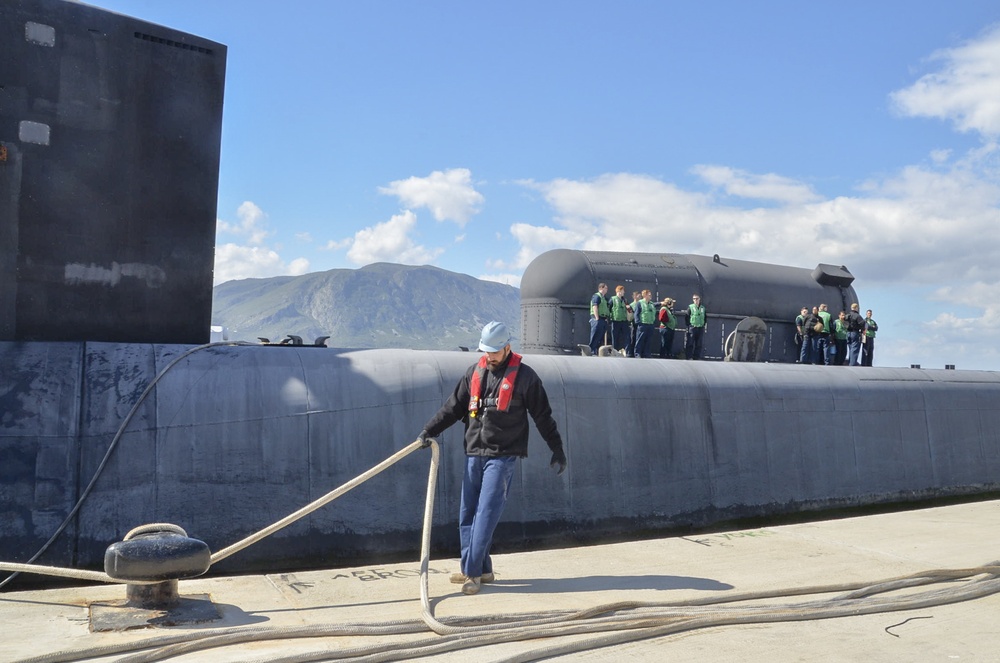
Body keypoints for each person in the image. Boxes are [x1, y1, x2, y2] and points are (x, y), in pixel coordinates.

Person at [418, 321, 567, 596]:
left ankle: (471, 573)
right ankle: (480, 568)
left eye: (494, 352)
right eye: (486, 351)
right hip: (474, 452)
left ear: (507, 348)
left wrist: (556, 448)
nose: (489, 357)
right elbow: (452, 408)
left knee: (485, 514)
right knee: (467, 514)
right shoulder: (474, 373)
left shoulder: (526, 378)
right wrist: (428, 431)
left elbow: (543, 417)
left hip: (502, 456)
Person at [633, 290, 657, 358]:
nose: (650, 296)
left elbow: (656, 305)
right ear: (645, 295)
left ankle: (647, 354)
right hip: (643, 324)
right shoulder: (640, 303)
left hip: (650, 324)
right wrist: (638, 323)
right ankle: (637, 353)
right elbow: (636, 313)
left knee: (648, 340)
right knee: (640, 340)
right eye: (649, 295)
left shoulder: (651, 304)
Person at [588, 283, 610, 355]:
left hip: (603, 319)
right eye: (605, 288)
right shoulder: (597, 296)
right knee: (595, 335)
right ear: (601, 288)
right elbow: (595, 306)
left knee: (600, 337)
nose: (607, 290)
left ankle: (596, 351)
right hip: (597, 318)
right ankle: (591, 351)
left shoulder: (604, 298)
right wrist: (597, 317)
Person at [608, 285, 630, 353]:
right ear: (619, 291)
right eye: (623, 291)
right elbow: (608, 309)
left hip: (624, 321)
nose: (624, 292)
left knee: (627, 337)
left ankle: (627, 351)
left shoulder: (624, 300)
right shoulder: (613, 299)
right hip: (615, 321)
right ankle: (615, 351)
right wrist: (609, 318)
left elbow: (628, 309)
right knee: (615, 337)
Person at [684, 294, 706, 360]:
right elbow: (687, 317)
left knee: (699, 343)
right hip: (692, 327)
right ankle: (689, 356)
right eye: (694, 299)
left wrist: (703, 324)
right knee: (690, 342)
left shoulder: (703, 308)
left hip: (700, 327)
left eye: (697, 298)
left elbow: (705, 317)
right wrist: (689, 325)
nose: (695, 300)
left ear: (699, 299)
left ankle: (696, 357)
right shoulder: (690, 307)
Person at [627, 290, 641, 357]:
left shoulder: (641, 304)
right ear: (634, 296)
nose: (639, 296)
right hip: (634, 324)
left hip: (640, 324)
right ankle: (631, 353)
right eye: (638, 295)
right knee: (633, 338)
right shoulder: (631, 305)